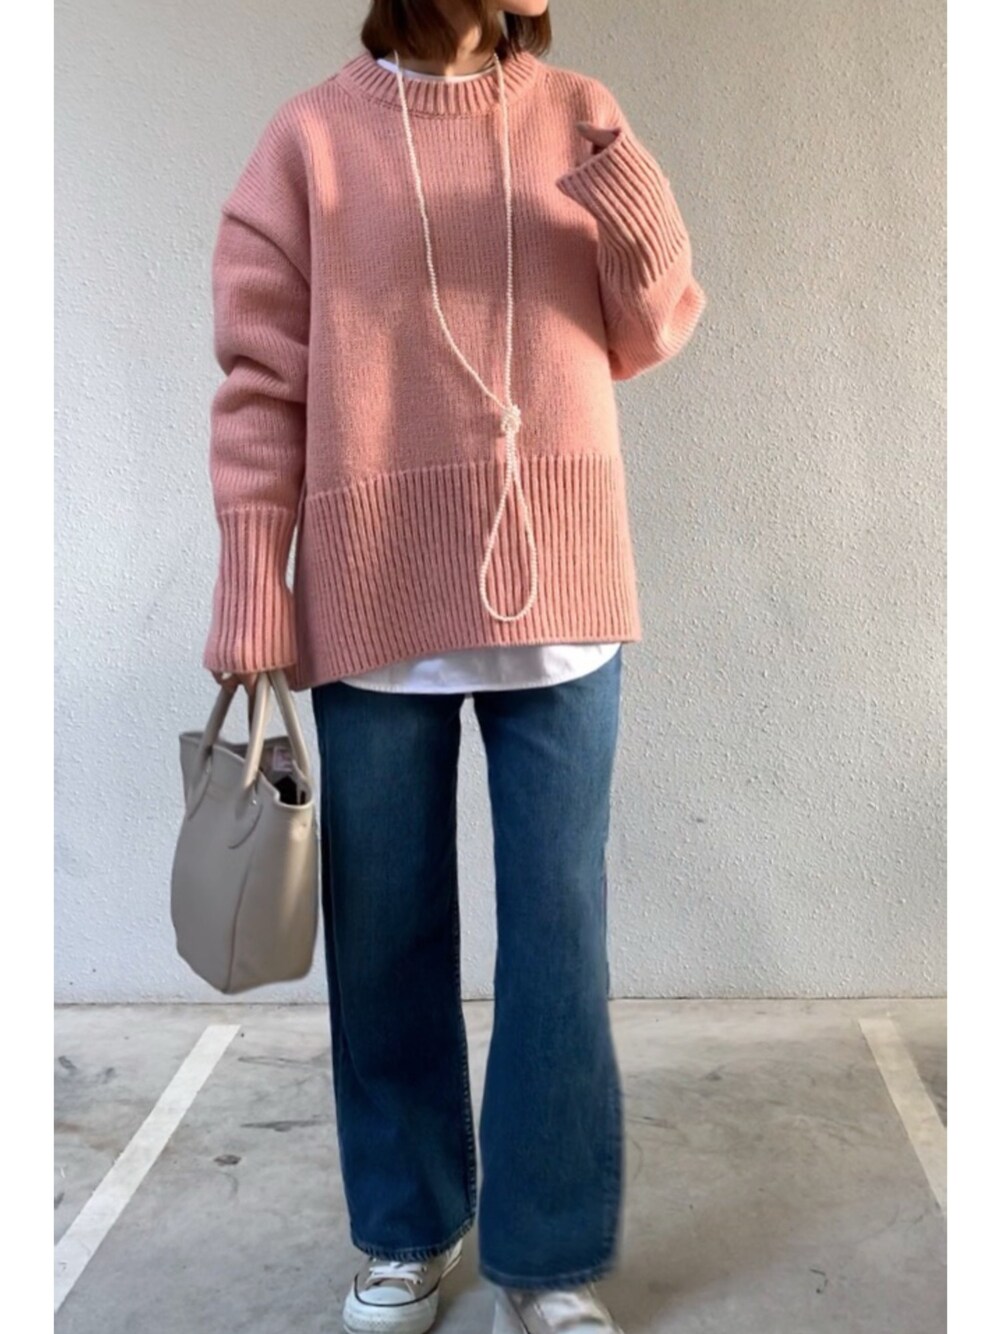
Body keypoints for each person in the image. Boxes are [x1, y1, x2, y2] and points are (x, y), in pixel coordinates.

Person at [203, 2, 706, 1331]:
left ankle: (546, 1255)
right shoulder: (312, 141)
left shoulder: (581, 115)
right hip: (376, 592)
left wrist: (623, 182)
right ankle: (407, 1229)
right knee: (384, 935)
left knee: (559, 935)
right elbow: (260, 379)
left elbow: (652, 328)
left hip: (563, 587)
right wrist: (254, 573)